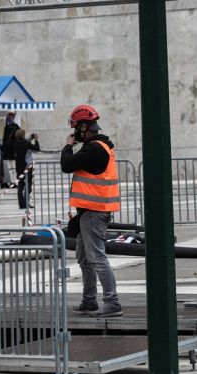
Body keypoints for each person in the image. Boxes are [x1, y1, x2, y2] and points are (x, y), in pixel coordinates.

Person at [61, 104, 123, 318]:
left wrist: (68, 146)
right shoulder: (100, 146)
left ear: (83, 127)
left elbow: (67, 165)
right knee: (84, 257)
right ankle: (89, 301)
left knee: (96, 257)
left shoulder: (94, 148)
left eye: (76, 127)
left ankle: (112, 302)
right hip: (89, 211)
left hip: (95, 212)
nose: (74, 131)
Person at [14, 129, 40, 209]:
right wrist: (36, 140)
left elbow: (24, 143)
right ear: (23, 135)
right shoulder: (26, 143)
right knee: (28, 186)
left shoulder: (15, 144)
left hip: (18, 167)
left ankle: (21, 204)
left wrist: (30, 139)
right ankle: (26, 203)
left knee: (20, 186)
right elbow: (36, 148)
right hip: (27, 167)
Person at [0, 112, 19, 189]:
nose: (9, 118)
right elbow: (4, 139)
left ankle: (15, 182)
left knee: (13, 168)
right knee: (11, 168)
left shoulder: (16, 127)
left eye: (11, 117)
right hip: (8, 151)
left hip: (12, 150)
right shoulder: (6, 128)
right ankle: (13, 182)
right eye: (9, 117)